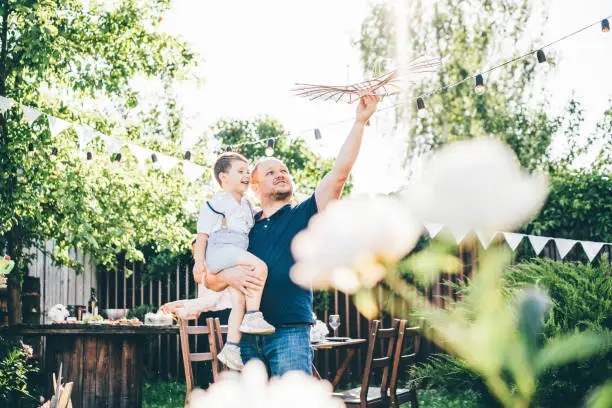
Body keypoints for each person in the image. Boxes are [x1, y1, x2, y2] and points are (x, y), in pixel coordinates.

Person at [203, 94, 379, 377]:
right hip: (244, 338)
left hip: (290, 333)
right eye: (270, 172)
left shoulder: (305, 214)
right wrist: (228, 277)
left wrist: (359, 122)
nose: (280, 174)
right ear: (255, 187)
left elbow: (338, 175)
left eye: (284, 170)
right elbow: (210, 279)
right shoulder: (240, 227)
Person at [162, 152, 275, 371]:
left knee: (239, 302)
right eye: (240, 171)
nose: (246, 175)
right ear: (223, 178)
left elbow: (252, 219)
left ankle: (232, 347)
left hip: (234, 252)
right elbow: (203, 234)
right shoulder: (218, 201)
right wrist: (199, 262)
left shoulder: (246, 203)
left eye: (247, 171)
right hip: (222, 249)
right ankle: (253, 316)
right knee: (260, 267)